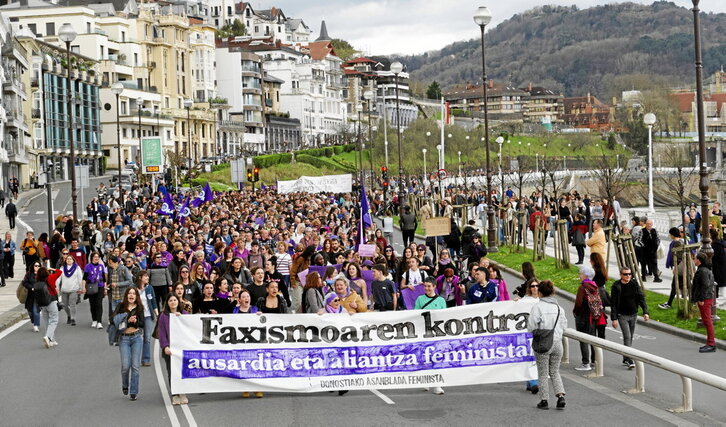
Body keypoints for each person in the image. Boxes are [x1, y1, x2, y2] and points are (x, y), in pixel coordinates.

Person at [528, 280, 567, 410]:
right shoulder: (559, 308)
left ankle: (544, 400)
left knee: (543, 372)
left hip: (544, 344)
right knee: (555, 371)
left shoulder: (538, 307)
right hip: (558, 343)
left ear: (540, 292)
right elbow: (564, 326)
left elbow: (531, 326)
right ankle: (561, 395)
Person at [413, 277, 446, 396]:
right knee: (424, 357)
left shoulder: (441, 300)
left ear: (434, 287)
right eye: (425, 286)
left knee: (436, 358)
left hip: (436, 334)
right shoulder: (420, 299)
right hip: (423, 332)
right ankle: (425, 379)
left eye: (429, 286)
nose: (426, 288)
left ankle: (437, 384)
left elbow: (445, 316)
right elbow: (415, 314)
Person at [610, 267, 649, 368]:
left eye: (629, 274)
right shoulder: (616, 286)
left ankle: (625, 357)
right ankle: (629, 360)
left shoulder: (634, 284)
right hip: (622, 316)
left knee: (630, 337)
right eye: (625, 274)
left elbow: (641, 298)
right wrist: (614, 319)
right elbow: (613, 304)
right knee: (627, 337)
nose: (628, 276)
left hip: (633, 315)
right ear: (621, 275)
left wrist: (645, 312)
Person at [112, 287, 145, 401]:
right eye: (129, 293)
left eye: (133, 294)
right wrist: (126, 320)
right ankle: (125, 384)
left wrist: (136, 322)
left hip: (136, 337)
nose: (131, 296)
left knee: (135, 366)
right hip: (124, 338)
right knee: (126, 366)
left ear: (136, 296)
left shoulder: (140, 308)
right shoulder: (121, 307)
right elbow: (113, 320)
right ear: (126, 296)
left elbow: (143, 324)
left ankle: (134, 391)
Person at [157, 293, 188, 405]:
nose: (173, 302)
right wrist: (165, 346)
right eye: (170, 300)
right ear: (167, 303)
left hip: (181, 349)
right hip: (169, 349)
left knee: (182, 371)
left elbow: (190, 328)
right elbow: (161, 333)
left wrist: (182, 318)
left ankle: (183, 392)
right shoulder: (163, 316)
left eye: (175, 300)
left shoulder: (184, 314)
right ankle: (175, 394)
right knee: (172, 372)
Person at [572, 265, 604, 372]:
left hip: (583, 316)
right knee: (592, 338)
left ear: (585, 275)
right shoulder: (595, 286)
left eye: (580, 273)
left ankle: (585, 363)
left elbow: (578, 303)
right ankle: (594, 361)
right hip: (593, 316)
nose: (579, 275)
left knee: (583, 340)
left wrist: (575, 312)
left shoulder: (582, 287)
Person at [691, 252, 716, 353]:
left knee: (707, 321)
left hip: (705, 299)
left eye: (695, 259)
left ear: (699, 260)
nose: (694, 260)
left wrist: (701, 299)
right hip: (706, 298)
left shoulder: (703, 271)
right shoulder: (704, 269)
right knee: (706, 320)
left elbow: (705, 285)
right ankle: (709, 343)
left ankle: (711, 343)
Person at [519, 279, 540, 394]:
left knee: (537, 358)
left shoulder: (543, 300)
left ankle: (530, 382)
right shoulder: (525, 300)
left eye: (537, 286)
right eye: (532, 286)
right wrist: (516, 302)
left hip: (541, 333)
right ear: (529, 288)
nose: (535, 288)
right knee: (530, 358)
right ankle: (533, 382)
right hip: (527, 333)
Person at [135, 270, 158, 367]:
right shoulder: (134, 289)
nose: (147, 278)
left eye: (147, 276)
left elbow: (153, 302)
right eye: (145, 276)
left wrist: (157, 314)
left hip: (148, 316)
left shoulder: (150, 288)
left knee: (147, 338)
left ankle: (146, 359)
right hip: (137, 317)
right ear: (140, 277)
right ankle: (135, 359)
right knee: (138, 338)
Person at [658, 227, 685, 309]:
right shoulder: (680, 241)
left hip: (679, 267)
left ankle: (669, 304)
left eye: (670, 234)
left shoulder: (677, 243)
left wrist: (676, 267)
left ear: (673, 234)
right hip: (681, 267)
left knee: (675, 285)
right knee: (681, 285)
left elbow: (678, 257)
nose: (669, 235)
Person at [36, 267, 61, 348]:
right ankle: (48, 337)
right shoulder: (50, 278)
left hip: (42, 304)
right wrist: (52, 269)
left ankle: (51, 340)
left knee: (47, 322)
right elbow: (59, 272)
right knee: (54, 320)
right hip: (51, 301)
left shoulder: (38, 281)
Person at [57, 253, 83, 326]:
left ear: (73, 260)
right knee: (65, 305)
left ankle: (73, 318)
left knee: (72, 304)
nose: (69, 260)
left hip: (74, 289)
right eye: (67, 259)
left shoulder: (77, 268)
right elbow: (58, 278)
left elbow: (80, 278)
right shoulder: (62, 268)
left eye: (70, 259)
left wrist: (81, 287)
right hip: (64, 290)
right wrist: (57, 287)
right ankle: (69, 315)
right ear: (65, 260)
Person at [83, 252, 107, 329]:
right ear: (92, 258)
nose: (97, 258)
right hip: (91, 286)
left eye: (98, 257)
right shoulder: (88, 266)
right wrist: (83, 287)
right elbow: (84, 278)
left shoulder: (101, 266)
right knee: (92, 304)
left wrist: (105, 288)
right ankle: (94, 320)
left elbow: (104, 278)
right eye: (95, 257)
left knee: (99, 303)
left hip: (100, 286)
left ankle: (99, 322)